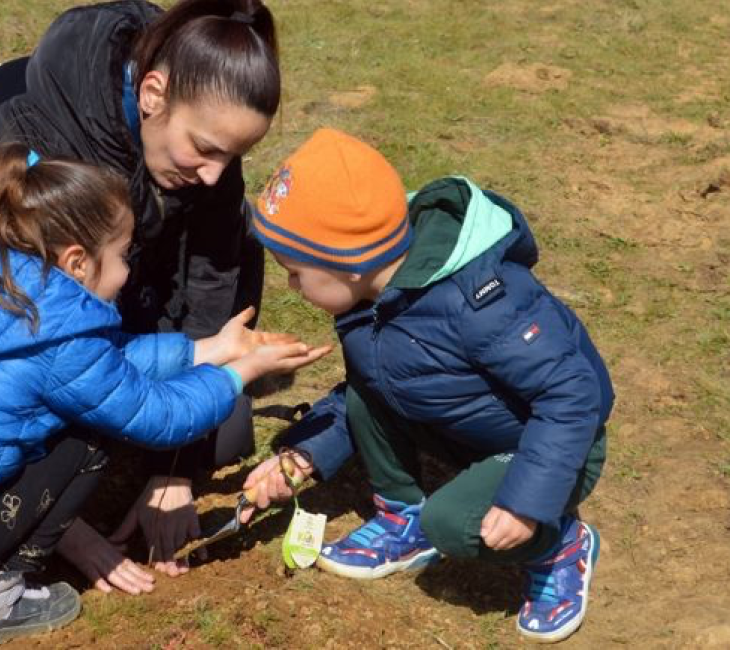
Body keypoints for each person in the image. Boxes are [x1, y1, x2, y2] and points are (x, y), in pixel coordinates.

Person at [0, 0, 281, 587]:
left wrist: (176, 466)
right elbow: (15, 308)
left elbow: (216, 269)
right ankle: (8, 544)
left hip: (81, 275)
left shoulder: (197, 131)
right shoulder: (40, 140)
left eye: (232, 157)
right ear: (153, 93)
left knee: (223, 432)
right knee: (75, 400)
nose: (218, 176)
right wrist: (60, 529)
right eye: (205, 150)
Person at [0, 144, 328, 646]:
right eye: (122, 255)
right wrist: (240, 373)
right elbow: (157, 415)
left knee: (71, 402)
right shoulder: (63, 341)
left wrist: (210, 348)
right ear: (76, 262)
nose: (128, 270)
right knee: (92, 431)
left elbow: (104, 367)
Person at [240, 129, 614, 643]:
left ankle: (561, 542)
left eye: (296, 272)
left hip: (551, 441)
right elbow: (370, 385)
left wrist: (529, 502)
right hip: (466, 434)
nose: (290, 286)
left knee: (454, 522)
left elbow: (571, 395)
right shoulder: (369, 298)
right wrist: (303, 455)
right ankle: (402, 516)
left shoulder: (480, 301)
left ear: (349, 264)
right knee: (364, 391)